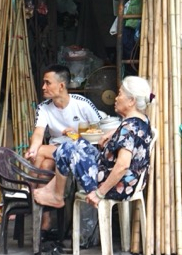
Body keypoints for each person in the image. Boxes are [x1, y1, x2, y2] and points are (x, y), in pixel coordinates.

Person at [32, 75, 154, 213]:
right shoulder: (141, 121)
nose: (116, 98)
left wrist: (99, 194)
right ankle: (53, 190)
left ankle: (57, 195)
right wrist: (113, 132)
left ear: (131, 101)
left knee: (67, 149)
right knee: (75, 142)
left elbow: (122, 166)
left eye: (119, 94)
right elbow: (130, 135)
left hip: (115, 184)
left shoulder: (129, 129)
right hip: (116, 175)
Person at [25, 64, 107, 162]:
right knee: (45, 164)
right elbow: (38, 132)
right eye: (44, 83)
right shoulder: (43, 107)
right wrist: (33, 149)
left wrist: (76, 135)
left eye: (48, 83)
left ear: (61, 86)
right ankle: (36, 176)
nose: (43, 87)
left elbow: (100, 129)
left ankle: (28, 177)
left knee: (40, 151)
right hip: (56, 146)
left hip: (79, 148)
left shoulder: (82, 103)